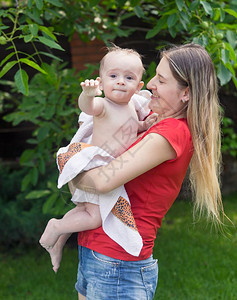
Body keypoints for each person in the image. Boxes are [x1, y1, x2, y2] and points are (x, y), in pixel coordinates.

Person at [64, 43, 225, 300]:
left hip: (118, 263)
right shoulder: (154, 120)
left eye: (160, 80)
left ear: (185, 92)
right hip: (99, 251)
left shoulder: (170, 133)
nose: (150, 84)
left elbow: (103, 181)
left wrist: (68, 165)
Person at [39, 46, 157, 272]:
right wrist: (88, 94)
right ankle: (56, 226)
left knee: (84, 210)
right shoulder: (104, 105)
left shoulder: (132, 106)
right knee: (93, 218)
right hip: (96, 166)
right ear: (101, 83)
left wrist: (144, 126)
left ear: (139, 86)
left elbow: (131, 129)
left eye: (129, 77)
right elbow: (88, 107)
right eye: (113, 76)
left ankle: (59, 240)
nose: (120, 82)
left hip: (109, 168)